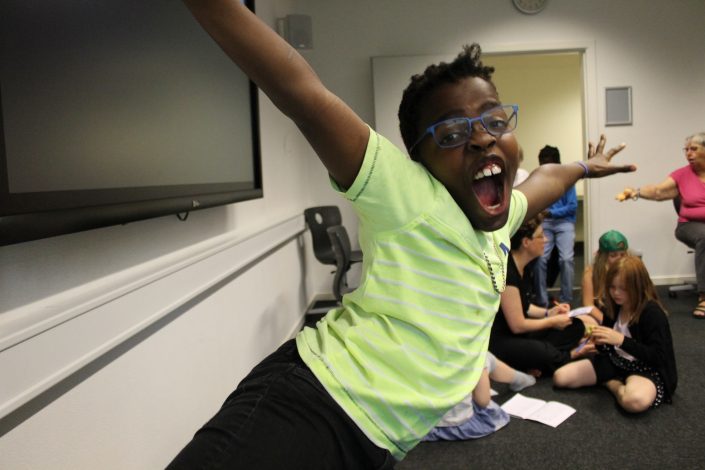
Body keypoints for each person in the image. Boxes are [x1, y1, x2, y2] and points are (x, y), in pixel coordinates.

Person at [171, 2, 634, 467]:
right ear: (419, 159)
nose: (482, 138)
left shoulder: (502, 215)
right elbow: (305, 95)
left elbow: (546, 179)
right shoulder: (406, 193)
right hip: (312, 405)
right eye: (451, 133)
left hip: (379, 440)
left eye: (495, 121)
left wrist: (583, 167)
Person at [553, 256, 677, 413]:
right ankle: (617, 382)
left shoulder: (652, 313)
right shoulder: (613, 305)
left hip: (645, 367)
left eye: (623, 289)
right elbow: (606, 348)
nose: (616, 293)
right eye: (612, 287)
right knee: (560, 377)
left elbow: (658, 357)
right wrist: (599, 341)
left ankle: (612, 383)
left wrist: (621, 340)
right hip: (616, 361)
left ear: (637, 286)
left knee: (634, 401)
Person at [616, 132, 705, 319]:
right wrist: (636, 192)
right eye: (686, 149)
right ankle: (704, 297)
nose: (688, 153)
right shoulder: (681, 175)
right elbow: (658, 191)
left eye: (694, 149)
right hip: (689, 225)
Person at [489, 215, 586, 377]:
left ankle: (535, 362)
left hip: (519, 334)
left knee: (575, 326)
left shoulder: (525, 266)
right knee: (543, 351)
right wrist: (552, 321)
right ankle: (566, 356)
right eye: (541, 236)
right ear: (526, 242)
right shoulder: (507, 273)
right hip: (502, 340)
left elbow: (526, 306)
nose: (546, 240)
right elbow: (518, 325)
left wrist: (549, 313)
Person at [422, 352, 535, 442]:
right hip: (457, 425)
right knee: (484, 357)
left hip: (418, 425)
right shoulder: (471, 351)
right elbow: (483, 401)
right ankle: (521, 379)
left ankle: (521, 379)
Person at [533, 145, 578, 307]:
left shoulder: (567, 180)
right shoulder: (538, 181)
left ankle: (566, 300)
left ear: (557, 163)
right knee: (540, 259)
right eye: (542, 164)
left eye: (547, 163)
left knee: (566, 259)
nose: (544, 168)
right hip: (546, 223)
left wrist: (551, 213)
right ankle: (542, 300)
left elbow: (572, 206)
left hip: (564, 223)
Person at [581, 230, 630, 325]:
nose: (619, 259)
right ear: (602, 257)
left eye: (622, 254)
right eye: (613, 255)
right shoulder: (590, 274)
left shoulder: (630, 271)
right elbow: (588, 305)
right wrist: (609, 324)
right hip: (601, 315)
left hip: (624, 315)